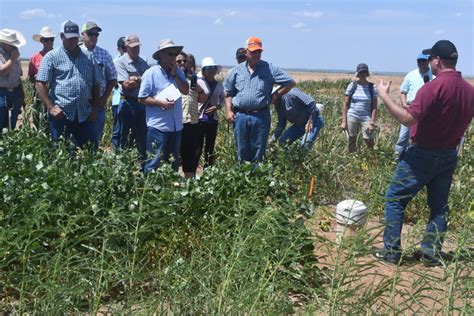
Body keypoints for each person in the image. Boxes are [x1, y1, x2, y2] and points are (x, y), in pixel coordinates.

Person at [373, 40, 474, 267]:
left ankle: (391, 252)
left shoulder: (432, 88)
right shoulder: (469, 91)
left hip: (423, 153)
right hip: (449, 155)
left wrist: (384, 95)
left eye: (430, 60)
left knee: (395, 198)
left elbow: (407, 119)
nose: (429, 64)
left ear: (437, 60)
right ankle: (430, 253)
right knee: (439, 206)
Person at [224, 36, 295, 163]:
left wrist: (275, 96)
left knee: (258, 151)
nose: (257, 54)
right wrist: (229, 111)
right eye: (253, 51)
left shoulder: (269, 68)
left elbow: (290, 82)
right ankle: (242, 179)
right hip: (240, 116)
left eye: (259, 51)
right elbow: (228, 92)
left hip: (261, 116)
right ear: (246, 52)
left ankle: (257, 179)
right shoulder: (236, 70)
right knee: (242, 150)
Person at [35, 20, 101, 148]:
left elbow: (96, 84)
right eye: (69, 38)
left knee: (92, 151)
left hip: (84, 114)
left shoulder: (88, 57)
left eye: (75, 38)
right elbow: (40, 83)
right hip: (61, 115)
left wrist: (94, 109)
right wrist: (51, 107)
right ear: (62, 37)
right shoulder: (52, 57)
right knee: (62, 154)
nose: (73, 41)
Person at [138, 39, 189, 173]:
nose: (173, 57)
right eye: (170, 54)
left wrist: (176, 75)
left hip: (176, 126)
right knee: (153, 162)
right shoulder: (151, 73)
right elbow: (142, 98)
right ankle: (149, 190)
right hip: (158, 126)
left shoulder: (179, 72)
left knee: (172, 163)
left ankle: (168, 191)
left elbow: (185, 90)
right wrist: (160, 103)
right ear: (161, 55)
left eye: (174, 54)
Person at [113, 34, 149, 159]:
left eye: (137, 47)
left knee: (141, 136)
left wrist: (136, 79)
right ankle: (123, 163)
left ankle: (141, 164)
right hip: (128, 103)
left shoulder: (143, 62)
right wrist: (141, 80)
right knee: (124, 136)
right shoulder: (120, 62)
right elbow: (126, 85)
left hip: (142, 103)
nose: (136, 49)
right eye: (133, 47)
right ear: (127, 47)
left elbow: (148, 83)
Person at [81, 21, 117, 141]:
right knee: (75, 141)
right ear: (83, 34)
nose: (93, 37)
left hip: (98, 104)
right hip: (79, 104)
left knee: (94, 139)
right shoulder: (76, 52)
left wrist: (104, 99)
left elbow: (112, 78)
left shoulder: (104, 54)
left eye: (96, 35)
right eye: (90, 34)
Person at [394, 53, 434, 157]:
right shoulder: (410, 75)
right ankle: (397, 158)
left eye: (423, 61)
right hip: (410, 108)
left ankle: (416, 158)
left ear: (428, 61)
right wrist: (403, 103)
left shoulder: (433, 75)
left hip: (427, 111)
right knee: (403, 136)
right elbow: (403, 91)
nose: (420, 63)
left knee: (421, 137)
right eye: (419, 61)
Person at [177, 51, 209, 178]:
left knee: (189, 157)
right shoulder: (171, 79)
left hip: (192, 122)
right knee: (173, 157)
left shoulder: (193, 79)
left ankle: (189, 186)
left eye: (184, 61)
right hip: (176, 122)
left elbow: (203, 99)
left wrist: (199, 90)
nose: (182, 64)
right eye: (179, 61)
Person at [341, 63, 378, 153]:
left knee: (369, 140)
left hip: (366, 117)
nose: (363, 74)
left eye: (364, 72)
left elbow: (374, 107)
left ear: (367, 73)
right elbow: (345, 105)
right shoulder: (352, 86)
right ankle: (352, 159)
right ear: (358, 73)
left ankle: (371, 159)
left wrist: (372, 122)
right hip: (352, 116)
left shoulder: (372, 87)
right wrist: (344, 122)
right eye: (361, 72)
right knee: (351, 139)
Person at [196, 57, 225, 168]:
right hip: (200, 118)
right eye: (207, 68)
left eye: (212, 68)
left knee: (210, 147)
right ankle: (194, 169)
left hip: (213, 120)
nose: (210, 70)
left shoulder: (219, 85)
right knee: (197, 146)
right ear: (203, 71)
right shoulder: (199, 82)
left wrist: (217, 107)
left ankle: (208, 170)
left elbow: (222, 100)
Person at [28, 26, 56, 130]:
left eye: (51, 39)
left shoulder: (59, 55)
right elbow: (30, 77)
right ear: (42, 41)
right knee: (37, 116)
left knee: (53, 117)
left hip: (54, 92)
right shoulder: (35, 57)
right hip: (39, 93)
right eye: (46, 40)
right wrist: (37, 82)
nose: (49, 42)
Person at [0, 28, 26, 134]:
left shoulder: (15, 57)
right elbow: (1, 72)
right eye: (13, 44)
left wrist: (22, 98)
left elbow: (18, 78)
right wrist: (12, 59)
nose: (15, 47)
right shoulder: (13, 57)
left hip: (15, 94)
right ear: (4, 44)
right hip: (1, 93)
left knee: (11, 125)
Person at [111, 36, 126, 143]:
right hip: (117, 99)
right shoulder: (114, 62)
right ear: (119, 49)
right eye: (124, 47)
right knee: (117, 128)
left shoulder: (138, 61)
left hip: (132, 99)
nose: (126, 50)